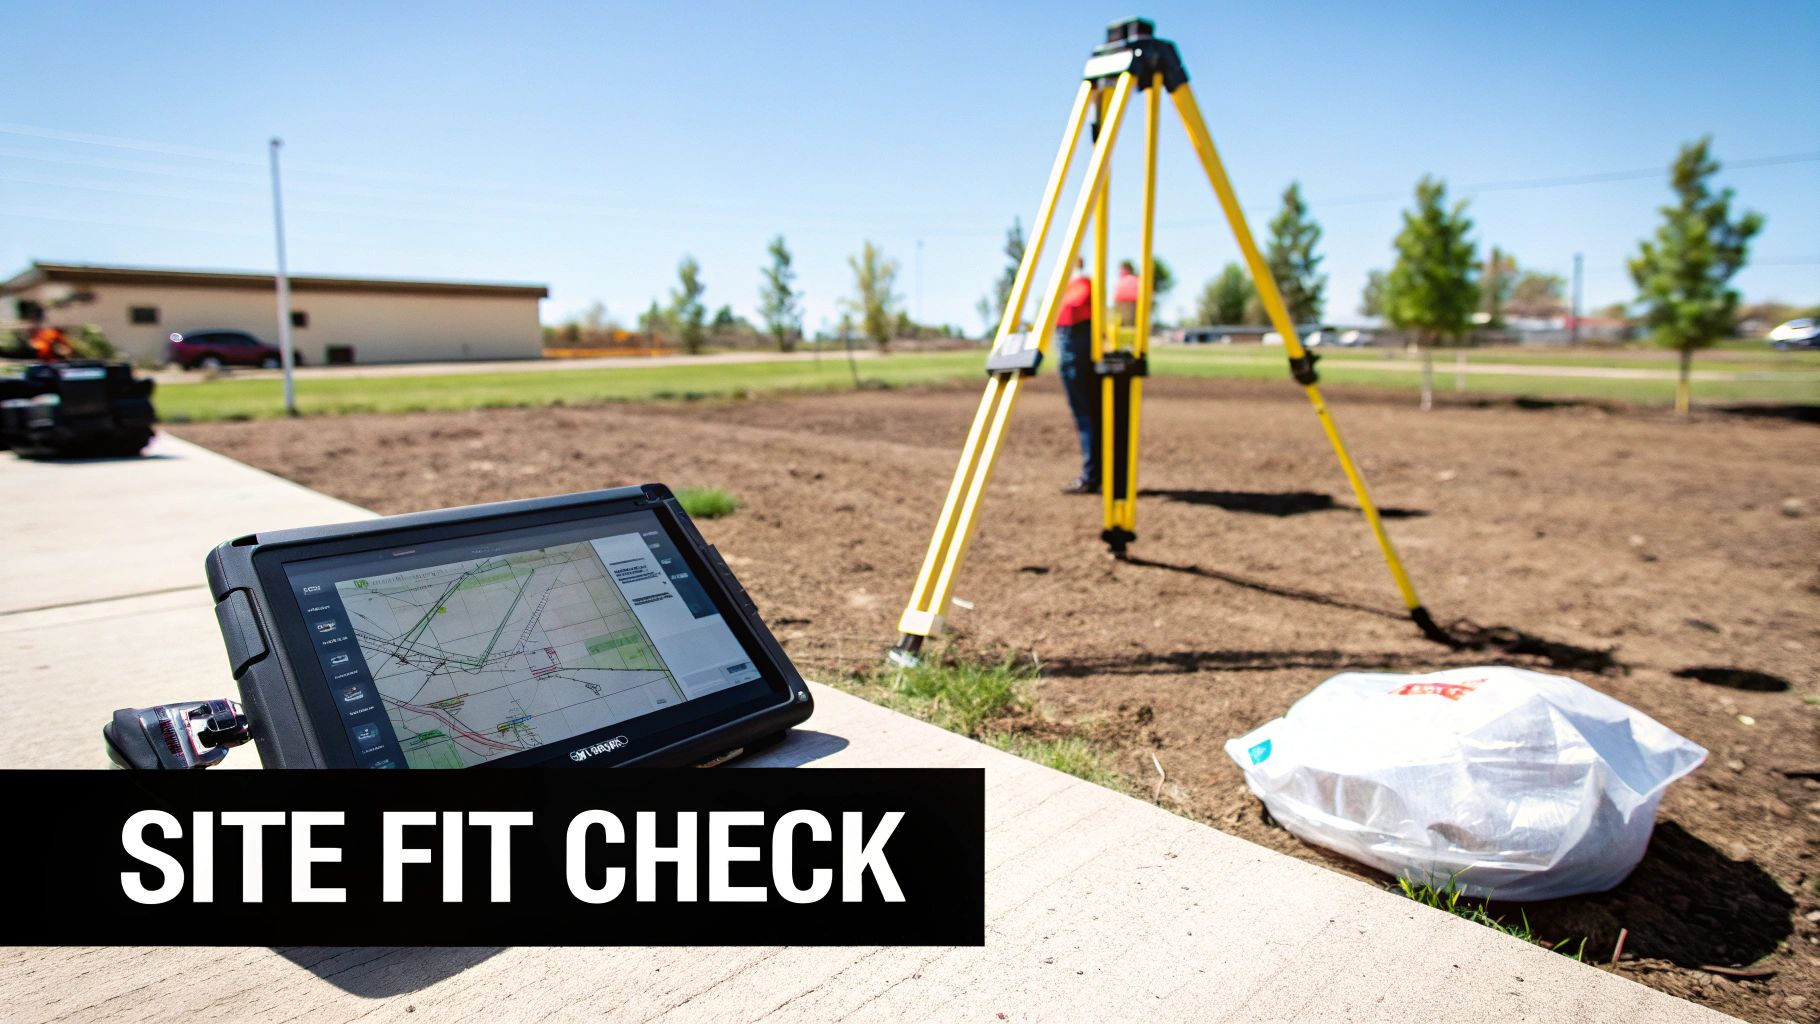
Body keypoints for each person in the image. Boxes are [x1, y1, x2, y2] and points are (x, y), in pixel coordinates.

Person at [1055, 259, 1098, 494]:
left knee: (1086, 415)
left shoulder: (1079, 287)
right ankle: (1094, 473)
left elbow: (1072, 308)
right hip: (1078, 345)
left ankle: (1092, 475)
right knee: (1088, 414)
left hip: (1077, 347)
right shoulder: (1080, 286)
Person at [1112, 260, 1141, 329]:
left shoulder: (1133, 279)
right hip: (1121, 303)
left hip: (1131, 304)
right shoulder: (1123, 280)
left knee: (1128, 324)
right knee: (1124, 324)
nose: (1120, 272)